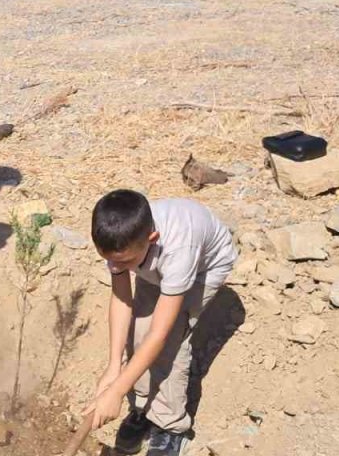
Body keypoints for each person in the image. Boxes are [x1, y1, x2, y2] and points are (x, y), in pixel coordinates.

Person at [82, 190, 239, 456]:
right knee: (137, 330)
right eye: (108, 259)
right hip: (150, 263)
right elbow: (122, 300)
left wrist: (116, 391)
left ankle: (170, 425)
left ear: (151, 239)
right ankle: (144, 407)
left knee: (172, 341)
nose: (115, 266)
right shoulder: (125, 241)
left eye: (122, 261)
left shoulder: (179, 250)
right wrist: (113, 369)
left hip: (203, 268)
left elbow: (160, 335)